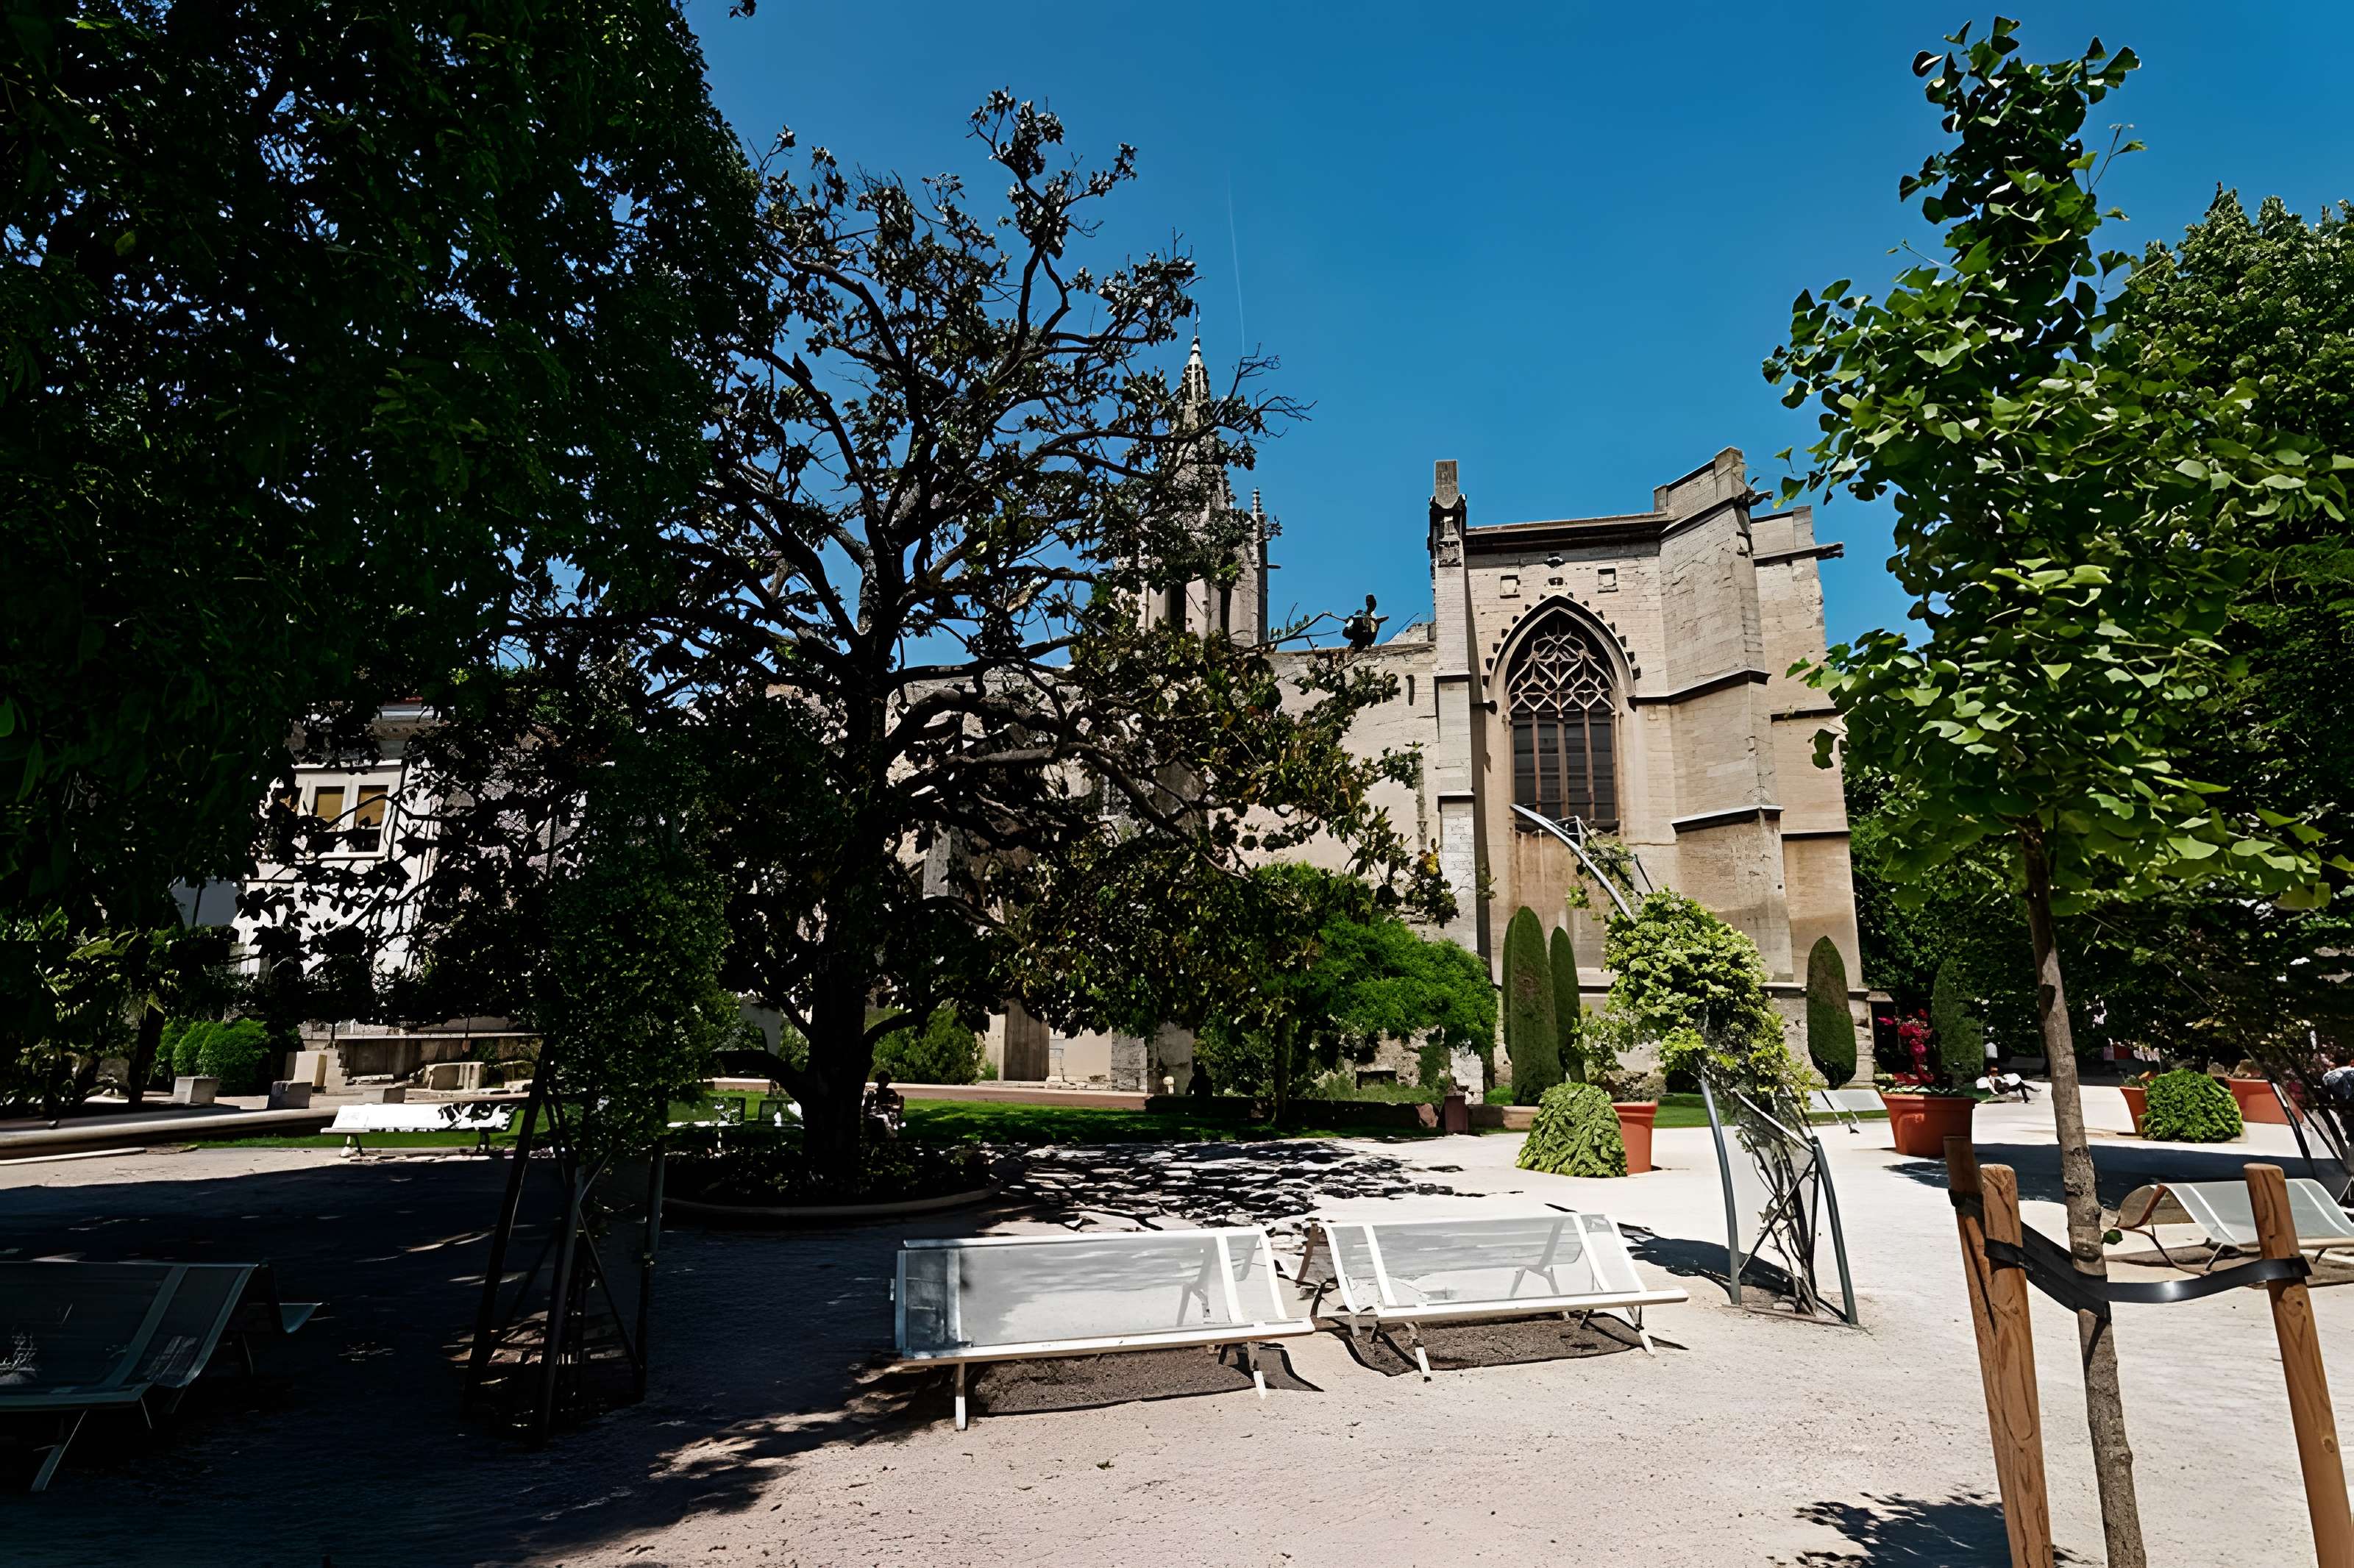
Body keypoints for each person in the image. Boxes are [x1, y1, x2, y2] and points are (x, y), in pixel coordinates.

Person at [864, 1070, 905, 1136]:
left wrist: (900, 1104)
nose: (885, 1084)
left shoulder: (891, 1091)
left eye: (886, 1082)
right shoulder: (873, 1093)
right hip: (876, 1118)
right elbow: (867, 1109)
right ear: (878, 1082)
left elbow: (898, 1103)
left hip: (885, 1115)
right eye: (883, 1082)